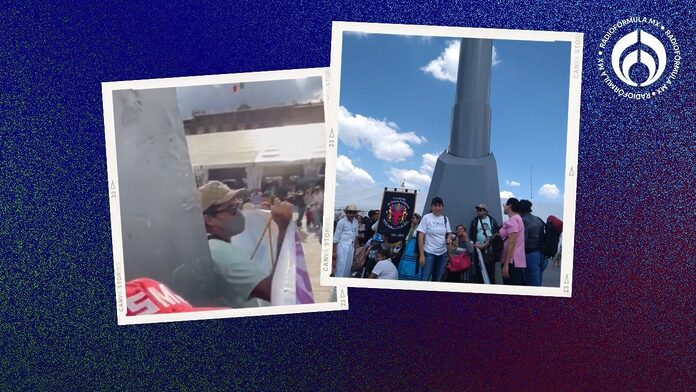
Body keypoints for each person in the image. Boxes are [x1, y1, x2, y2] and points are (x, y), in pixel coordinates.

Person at [198, 181, 294, 308]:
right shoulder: (220, 251)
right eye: (232, 209)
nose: (239, 213)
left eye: (238, 205)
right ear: (208, 219)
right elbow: (275, 291)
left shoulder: (210, 245)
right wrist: (283, 227)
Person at [417, 197, 453, 282]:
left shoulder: (445, 218)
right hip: (429, 253)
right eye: (435, 205)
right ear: (432, 206)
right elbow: (420, 236)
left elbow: (449, 233)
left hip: (442, 253)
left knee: (437, 279)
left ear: (442, 207)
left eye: (439, 206)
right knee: (425, 278)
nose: (437, 208)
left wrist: (448, 238)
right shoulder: (427, 218)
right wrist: (422, 255)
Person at [518, 199, 548, 286]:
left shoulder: (523, 221)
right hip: (542, 256)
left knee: (532, 287)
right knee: (538, 284)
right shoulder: (538, 219)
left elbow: (522, 241)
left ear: (520, 209)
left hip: (531, 257)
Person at [469, 203, 500, 284]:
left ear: (485, 211)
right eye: (478, 210)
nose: (478, 211)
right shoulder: (474, 221)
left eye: (481, 210)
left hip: (489, 250)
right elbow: (471, 235)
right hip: (478, 249)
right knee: (479, 270)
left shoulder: (492, 220)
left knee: (490, 270)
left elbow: (496, 233)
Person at [499, 198, 526, 285]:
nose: (504, 207)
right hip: (515, 261)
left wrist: (506, 265)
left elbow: (512, 243)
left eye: (505, 205)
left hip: (511, 262)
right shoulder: (517, 219)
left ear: (509, 206)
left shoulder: (513, 220)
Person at [332, 203, 359, 278]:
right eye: (349, 212)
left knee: (348, 266)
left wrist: (355, 250)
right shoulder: (341, 222)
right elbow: (335, 238)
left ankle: (344, 282)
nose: (351, 215)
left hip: (351, 246)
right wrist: (334, 252)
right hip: (342, 246)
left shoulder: (356, 222)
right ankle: (337, 283)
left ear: (355, 214)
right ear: (346, 213)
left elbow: (356, 236)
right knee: (341, 266)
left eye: (353, 213)